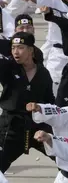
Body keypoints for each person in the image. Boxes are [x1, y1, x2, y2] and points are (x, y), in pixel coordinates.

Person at [0, 32, 54, 173]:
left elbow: (50, 101)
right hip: (11, 126)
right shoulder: (8, 67)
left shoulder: (43, 73)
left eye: (20, 47)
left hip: (38, 126)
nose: (15, 52)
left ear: (31, 50)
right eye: (13, 48)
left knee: (65, 160)